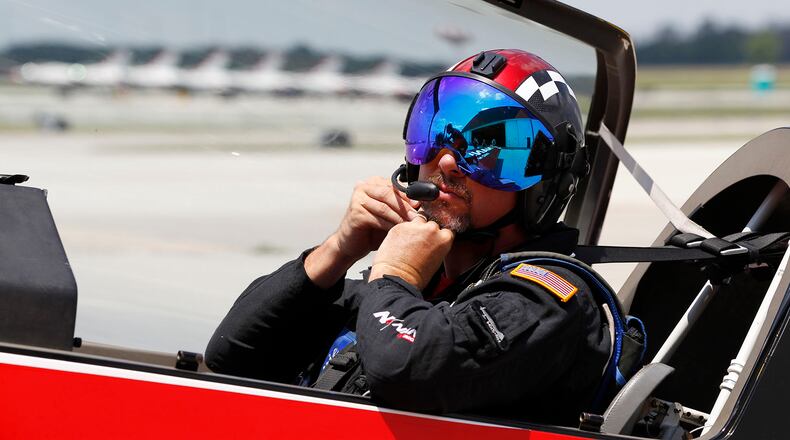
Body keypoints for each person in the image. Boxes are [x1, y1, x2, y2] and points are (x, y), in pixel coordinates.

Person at [205, 49, 611, 425]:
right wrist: (338, 249)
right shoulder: (415, 286)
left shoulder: (547, 302)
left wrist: (395, 274)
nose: (448, 161)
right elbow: (233, 354)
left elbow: (410, 369)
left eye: (490, 148)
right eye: (437, 135)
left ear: (545, 182)